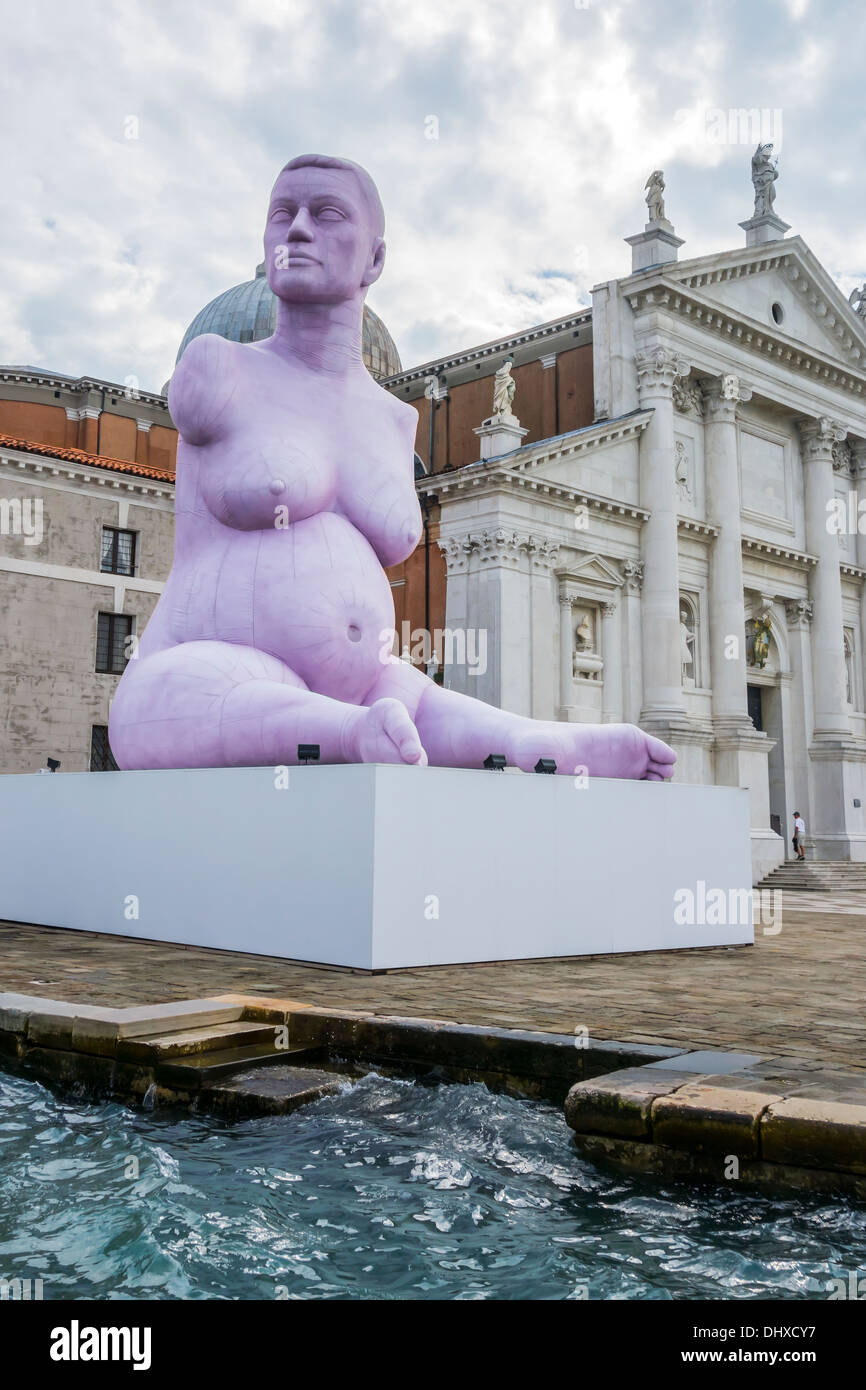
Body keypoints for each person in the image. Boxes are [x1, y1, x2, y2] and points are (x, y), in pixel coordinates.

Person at [109, 155, 677, 781]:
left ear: (375, 259)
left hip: (370, 686)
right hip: (207, 667)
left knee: (409, 695)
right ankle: (347, 733)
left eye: (325, 214)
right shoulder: (216, 368)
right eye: (282, 214)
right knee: (170, 703)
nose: (297, 230)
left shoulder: (394, 418)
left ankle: (529, 738)